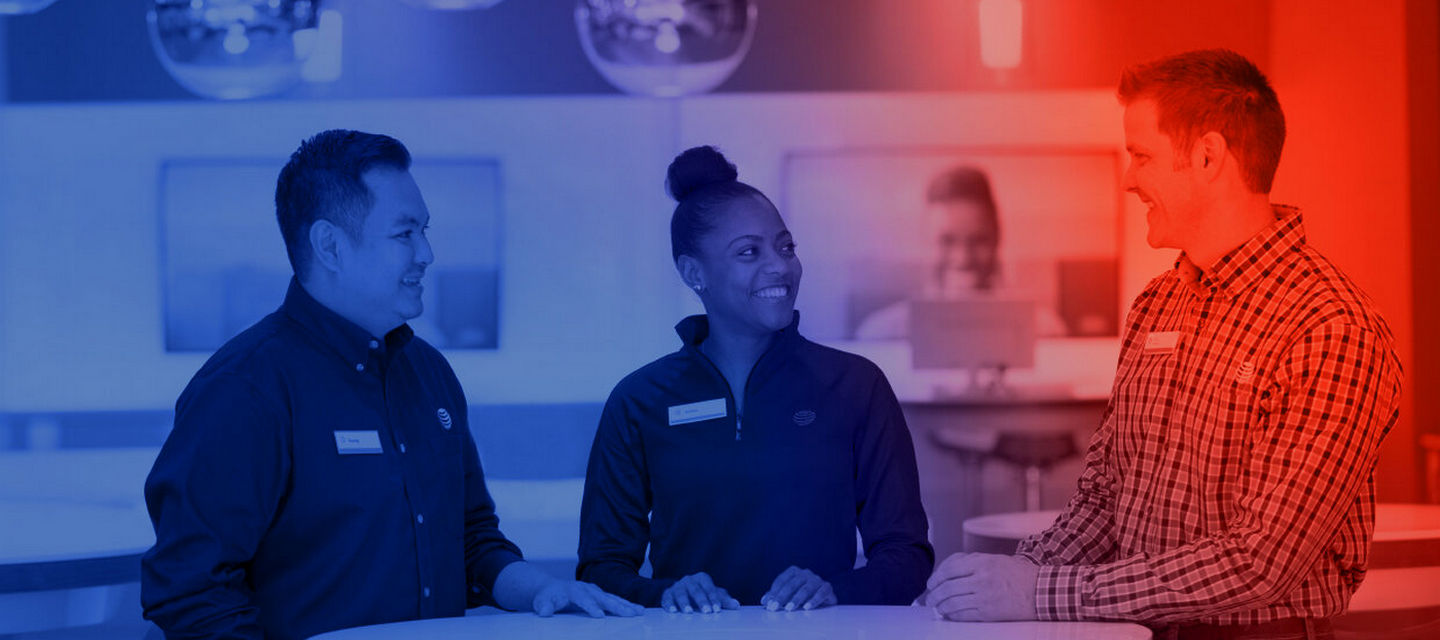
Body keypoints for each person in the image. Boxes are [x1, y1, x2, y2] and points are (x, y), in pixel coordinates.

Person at [923, 49, 1403, 639]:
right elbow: (1105, 498)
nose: (1129, 179)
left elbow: (1262, 562)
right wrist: (1016, 572)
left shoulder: (1331, 327)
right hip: (1129, 629)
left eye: (1141, 156)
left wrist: (1040, 591)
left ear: (1207, 155)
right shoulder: (1157, 303)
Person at [141, 130, 642, 640]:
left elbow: (471, 540)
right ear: (331, 246)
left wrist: (540, 590)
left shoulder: (429, 374)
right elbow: (193, 593)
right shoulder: (245, 388)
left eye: (425, 231)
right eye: (405, 234)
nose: (427, 253)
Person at [578, 146, 934, 614]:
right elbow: (601, 569)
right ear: (693, 273)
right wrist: (665, 594)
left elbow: (907, 557)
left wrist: (837, 590)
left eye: (786, 247)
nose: (780, 266)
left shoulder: (856, 386)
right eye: (749, 252)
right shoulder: (639, 400)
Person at [853, 165, 1066, 341]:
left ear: (997, 238)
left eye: (979, 241)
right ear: (925, 240)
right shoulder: (881, 335)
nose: (963, 258)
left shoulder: (1044, 331)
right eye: (947, 241)